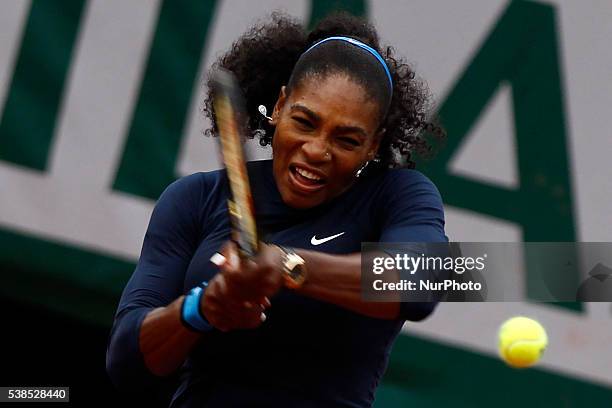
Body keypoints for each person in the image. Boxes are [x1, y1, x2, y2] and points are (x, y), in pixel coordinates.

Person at [106, 12, 447, 408]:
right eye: (305, 122)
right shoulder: (194, 198)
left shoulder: (398, 194)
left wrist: (286, 266)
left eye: (347, 139)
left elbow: (424, 282)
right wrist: (203, 307)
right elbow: (125, 363)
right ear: (280, 106)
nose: (317, 150)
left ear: (374, 144)